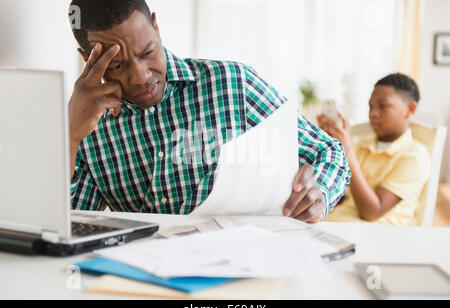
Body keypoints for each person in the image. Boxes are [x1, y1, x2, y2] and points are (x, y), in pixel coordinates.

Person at [68, 0, 350, 223]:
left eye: (148, 52)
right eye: (117, 66)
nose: (141, 77)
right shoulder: (87, 127)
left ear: (156, 26)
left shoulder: (233, 83)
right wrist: (69, 137)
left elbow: (329, 150)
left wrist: (320, 193)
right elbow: (68, 221)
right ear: (86, 58)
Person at [317, 73, 430, 225]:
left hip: (376, 235)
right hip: (336, 222)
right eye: (371, 106)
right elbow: (338, 196)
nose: (373, 113)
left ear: (410, 109)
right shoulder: (359, 145)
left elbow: (372, 212)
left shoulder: (415, 157)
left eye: (383, 106)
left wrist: (347, 153)